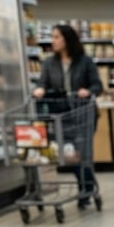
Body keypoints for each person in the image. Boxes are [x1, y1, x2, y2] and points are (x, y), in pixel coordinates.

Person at [33, 24, 103, 209]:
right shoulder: (49, 63)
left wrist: (87, 91)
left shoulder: (85, 61)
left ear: (67, 39)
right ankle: (87, 186)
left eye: (57, 37)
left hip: (83, 114)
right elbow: (43, 83)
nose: (53, 41)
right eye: (53, 37)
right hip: (61, 116)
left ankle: (85, 191)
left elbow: (98, 86)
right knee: (69, 156)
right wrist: (40, 90)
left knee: (83, 154)